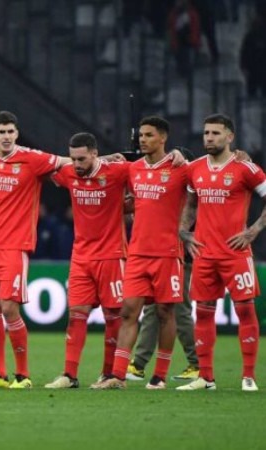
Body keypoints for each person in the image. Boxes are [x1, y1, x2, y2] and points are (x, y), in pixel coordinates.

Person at [0, 111, 68, 389]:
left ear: (17, 133)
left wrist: (103, 160)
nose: (6, 137)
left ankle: (23, 375)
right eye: (1, 132)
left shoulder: (32, 158)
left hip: (14, 245)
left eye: (11, 132)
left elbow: (67, 161)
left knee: (9, 307)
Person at [93, 116, 189, 390]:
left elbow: (209, 174)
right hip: (137, 254)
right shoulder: (132, 169)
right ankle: (118, 376)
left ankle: (159, 376)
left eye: (148, 135)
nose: (142, 140)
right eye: (141, 135)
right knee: (128, 311)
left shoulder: (181, 168)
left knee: (164, 312)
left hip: (168, 253)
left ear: (163, 138)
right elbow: (127, 198)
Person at [177, 113, 266, 392]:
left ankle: (248, 376)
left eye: (216, 133)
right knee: (202, 313)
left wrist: (253, 231)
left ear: (230, 136)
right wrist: (183, 230)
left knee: (245, 311)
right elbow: (191, 203)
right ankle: (206, 377)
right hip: (204, 252)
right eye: (206, 133)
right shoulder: (195, 168)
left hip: (235, 253)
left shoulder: (245, 168)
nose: (209, 138)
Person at [44, 132, 129, 389]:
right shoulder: (70, 173)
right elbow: (43, 169)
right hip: (81, 256)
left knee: (113, 315)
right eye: (73, 159)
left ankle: (109, 374)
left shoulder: (118, 172)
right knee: (76, 315)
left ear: (94, 153)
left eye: (82, 159)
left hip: (112, 255)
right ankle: (69, 375)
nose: (77, 165)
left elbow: (151, 177)